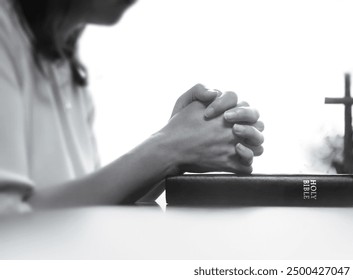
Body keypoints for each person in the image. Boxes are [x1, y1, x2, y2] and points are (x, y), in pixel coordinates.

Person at [0, 0, 264, 214]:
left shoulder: (68, 73)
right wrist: (169, 147)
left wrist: (178, 150)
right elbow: (11, 224)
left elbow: (86, 207)